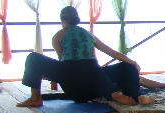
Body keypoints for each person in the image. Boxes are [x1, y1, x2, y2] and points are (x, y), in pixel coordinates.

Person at [17, 6, 156, 107]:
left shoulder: (58, 36)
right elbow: (114, 54)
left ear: (62, 20)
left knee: (33, 58)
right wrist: (133, 63)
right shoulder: (89, 34)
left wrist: (46, 74)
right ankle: (130, 95)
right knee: (127, 68)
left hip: (75, 88)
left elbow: (63, 61)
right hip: (94, 74)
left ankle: (35, 98)